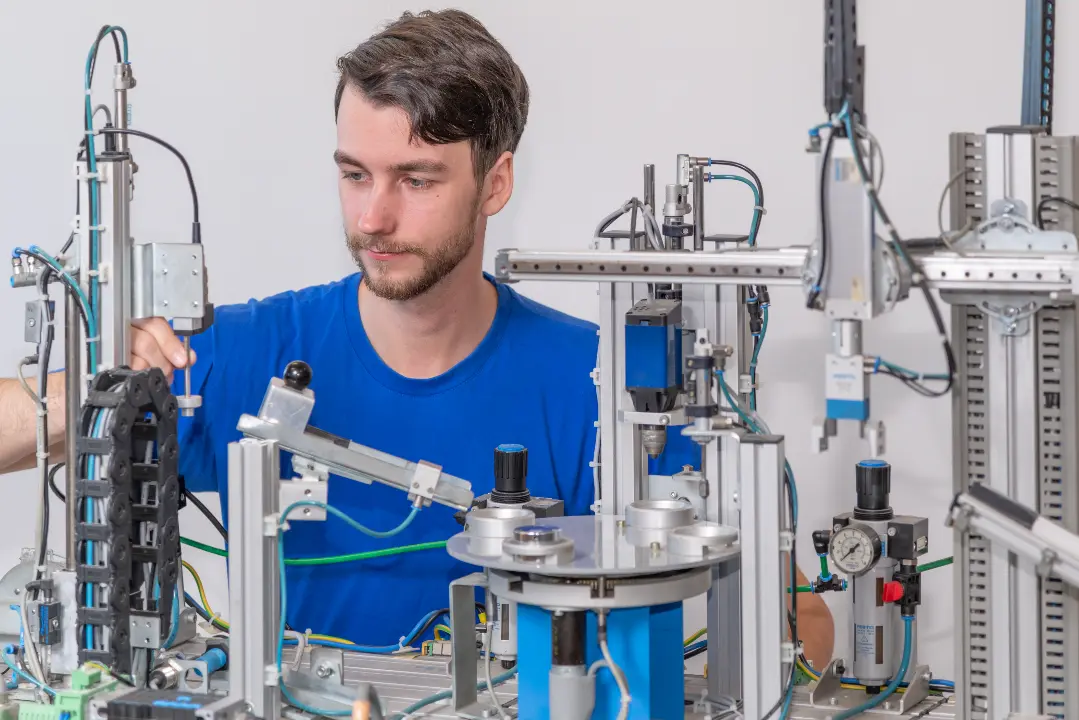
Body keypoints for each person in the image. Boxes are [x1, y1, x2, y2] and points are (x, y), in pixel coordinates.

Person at [0, 9, 833, 665]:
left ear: (494, 181)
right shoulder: (256, 349)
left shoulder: (605, 384)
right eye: (354, 174)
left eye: (416, 179)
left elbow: (800, 625)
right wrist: (90, 399)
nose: (372, 217)